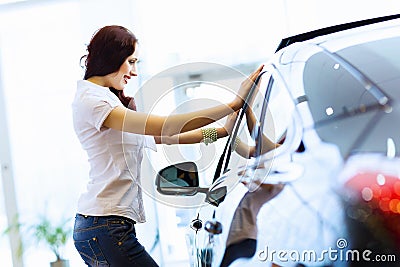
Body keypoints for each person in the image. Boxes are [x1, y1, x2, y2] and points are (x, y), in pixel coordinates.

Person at [71, 24, 263, 267]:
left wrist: (223, 131)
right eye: (131, 61)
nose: (134, 71)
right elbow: (167, 127)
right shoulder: (93, 101)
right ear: (112, 57)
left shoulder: (108, 101)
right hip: (104, 225)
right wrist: (234, 103)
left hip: (105, 226)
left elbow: (171, 137)